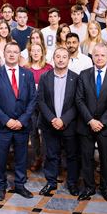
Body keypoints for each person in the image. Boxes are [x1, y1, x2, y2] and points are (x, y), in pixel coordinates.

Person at [0, 42, 37, 201]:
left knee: (21, 156)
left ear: (19, 55)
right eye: (9, 52)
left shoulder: (27, 74)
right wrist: (7, 120)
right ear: (4, 53)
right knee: (1, 157)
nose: (12, 54)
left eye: (15, 52)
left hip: (22, 125)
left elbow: (32, 99)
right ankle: (1, 186)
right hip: (2, 125)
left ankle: (20, 185)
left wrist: (22, 120)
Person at [76, 43, 107, 202]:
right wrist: (90, 120)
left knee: (105, 159)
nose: (99, 58)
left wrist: (100, 122)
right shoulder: (83, 75)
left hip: (106, 126)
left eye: (102, 55)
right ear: (92, 57)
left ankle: (105, 189)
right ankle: (89, 188)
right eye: (96, 55)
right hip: (86, 125)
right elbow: (79, 100)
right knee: (87, 158)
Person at [37, 47, 80, 196]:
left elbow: (78, 103)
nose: (61, 59)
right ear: (53, 59)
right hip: (49, 124)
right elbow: (40, 100)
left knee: (72, 155)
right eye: (58, 57)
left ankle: (73, 183)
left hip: (69, 125)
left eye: (64, 57)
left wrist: (63, 120)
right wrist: (53, 119)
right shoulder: (44, 77)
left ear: (69, 59)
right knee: (51, 154)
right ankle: (51, 182)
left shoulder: (76, 78)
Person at [25, 41, 53, 171]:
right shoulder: (25, 69)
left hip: (45, 107)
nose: (36, 53)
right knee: (33, 133)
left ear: (42, 53)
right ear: (30, 52)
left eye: (38, 50)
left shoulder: (48, 68)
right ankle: (37, 156)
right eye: (33, 50)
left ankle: (47, 158)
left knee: (45, 133)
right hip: (31, 107)